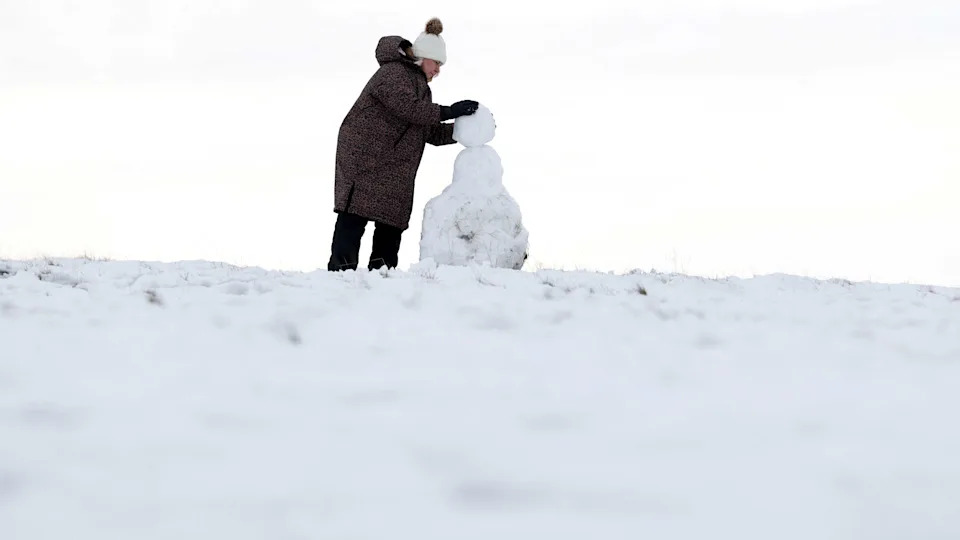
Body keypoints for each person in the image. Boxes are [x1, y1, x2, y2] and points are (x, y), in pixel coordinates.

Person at [327, 17, 478, 271]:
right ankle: (341, 274)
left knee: (391, 222)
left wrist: (465, 129)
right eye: (436, 63)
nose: (438, 70)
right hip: (366, 159)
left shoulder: (422, 89)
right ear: (423, 57)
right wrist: (448, 110)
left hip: (395, 168)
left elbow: (429, 130)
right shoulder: (393, 73)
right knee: (354, 217)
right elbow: (408, 108)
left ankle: (383, 274)